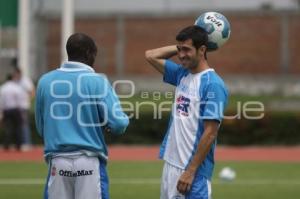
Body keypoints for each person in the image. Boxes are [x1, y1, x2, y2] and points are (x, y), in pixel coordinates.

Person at [35, 33, 129, 199]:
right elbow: (119, 124)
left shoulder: (45, 81)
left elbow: (40, 127)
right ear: (89, 53)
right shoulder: (98, 81)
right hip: (89, 162)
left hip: (58, 161)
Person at [145, 25, 229, 199]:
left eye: (186, 50)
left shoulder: (213, 84)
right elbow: (150, 55)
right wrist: (183, 44)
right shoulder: (182, 74)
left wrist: (190, 172)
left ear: (202, 50)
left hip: (193, 173)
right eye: (179, 49)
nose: (181, 55)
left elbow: (211, 132)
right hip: (170, 166)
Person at [13, 66, 35, 151]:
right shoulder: (16, 81)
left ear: (19, 73)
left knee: (24, 125)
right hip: (16, 106)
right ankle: (20, 143)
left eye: (15, 74)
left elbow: (32, 92)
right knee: (18, 126)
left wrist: (27, 100)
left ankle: (26, 143)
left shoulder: (25, 81)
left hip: (23, 106)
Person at [0, 73, 24, 151]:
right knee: (18, 128)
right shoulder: (16, 87)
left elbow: (1, 102)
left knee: (8, 128)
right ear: (12, 79)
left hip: (6, 110)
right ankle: (18, 145)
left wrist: (1, 112)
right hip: (15, 110)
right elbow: (20, 100)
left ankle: (6, 145)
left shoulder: (3, 88)